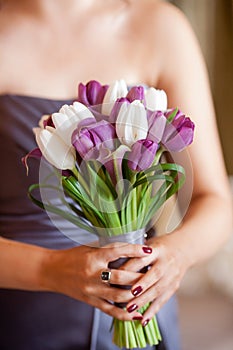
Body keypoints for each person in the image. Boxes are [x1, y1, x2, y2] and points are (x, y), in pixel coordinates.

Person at [0, 0, 232, 349]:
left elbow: (214, 200)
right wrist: (49, 269)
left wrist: (175, 255)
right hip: (22, 322)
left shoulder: (160, 27)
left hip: (141, 318)